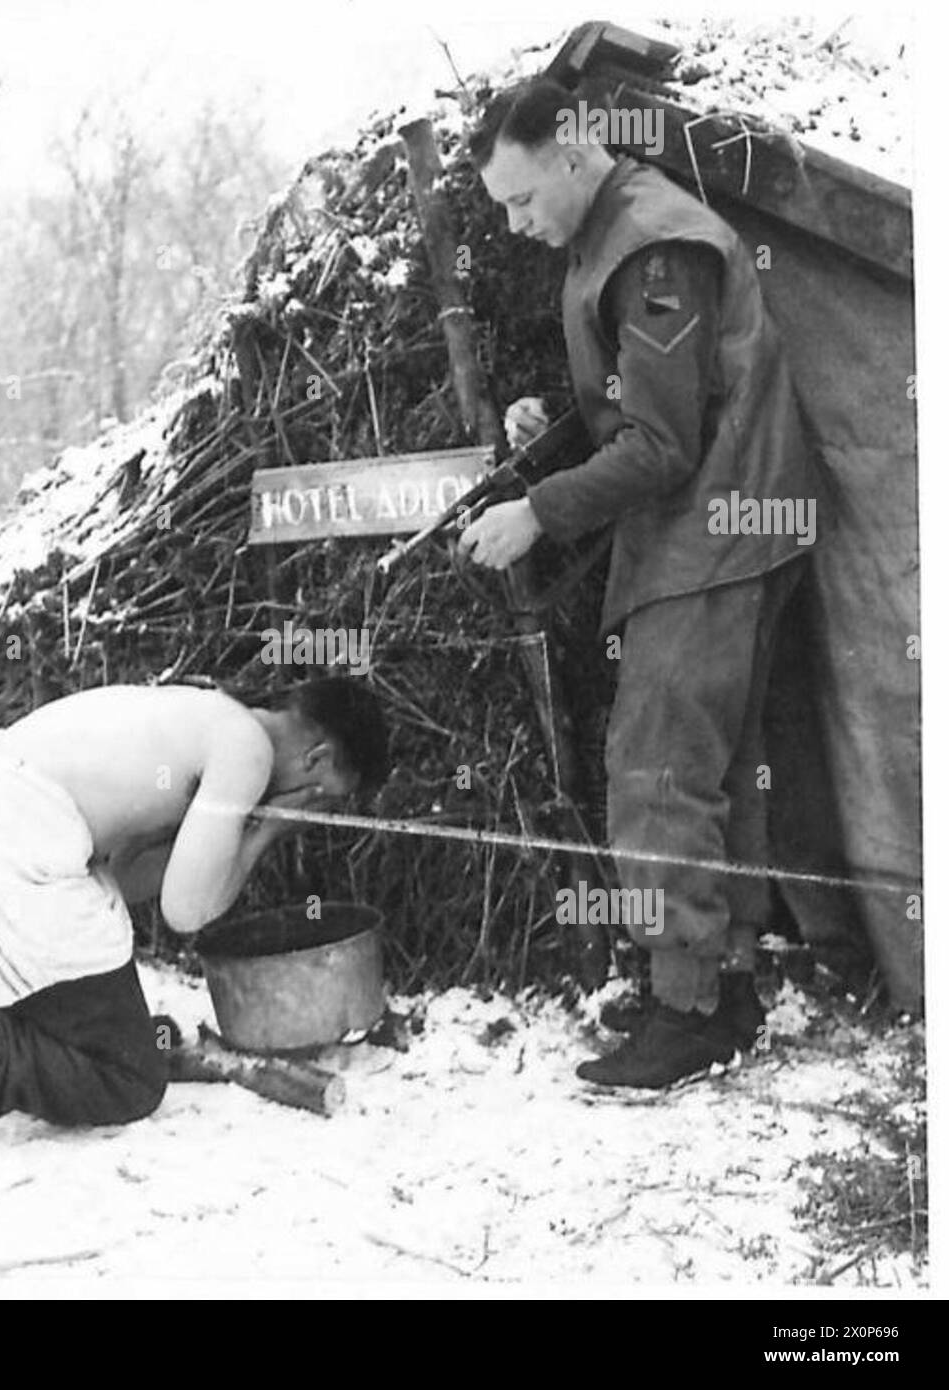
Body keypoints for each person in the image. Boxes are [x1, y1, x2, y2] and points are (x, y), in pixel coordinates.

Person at [459, 78, 818, 1088]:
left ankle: (687, 1009)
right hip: (725, 528)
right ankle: (720, 983)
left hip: (712, 532)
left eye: (522, 199)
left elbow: (662, 447)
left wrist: (537, 511)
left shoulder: (651, 246)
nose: (516, 224)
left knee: (655, 771)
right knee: (711, 769)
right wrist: (565, 425)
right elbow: (647, 399)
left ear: (573, 150)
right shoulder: (614, 234)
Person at [0, 677, 389, 1145]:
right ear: (316, 757)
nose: (317, 808)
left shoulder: (205, 712)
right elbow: (188, 911)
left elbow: (124, 880)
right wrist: (271, 828)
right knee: (127, 1080)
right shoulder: (247, 749)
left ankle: (26, 1040)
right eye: (323, 796)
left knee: (111, 1019)